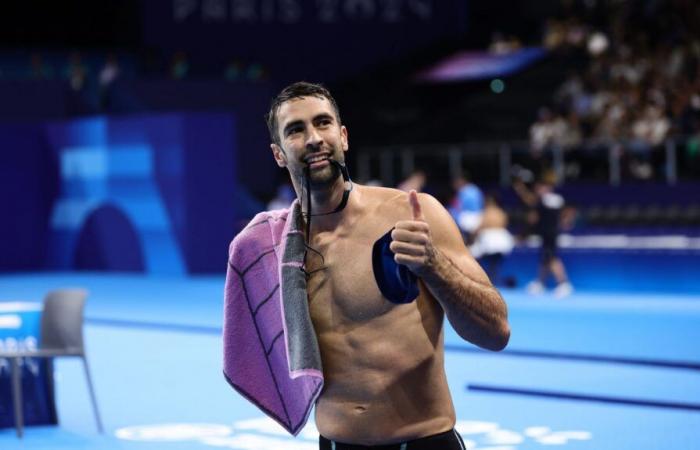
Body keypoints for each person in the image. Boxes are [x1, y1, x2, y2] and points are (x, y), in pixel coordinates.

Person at [225, 82, 510, 449]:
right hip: (335, 442)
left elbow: (496, 332)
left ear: (343, 136)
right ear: (278, 154)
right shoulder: (268, 249)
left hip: (423, 441)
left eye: (323, 123)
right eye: (296, 130)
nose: (313, 138)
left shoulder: (413, 213)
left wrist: (434, 266)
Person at [513, 170, 573, 298]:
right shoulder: (557, 199)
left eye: (540, 187)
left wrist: (521, 190)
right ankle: (540, 283)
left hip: (549, 233)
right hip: (551, 233)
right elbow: (567, 212)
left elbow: (531, 209)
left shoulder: (543, 199)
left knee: (551, 258)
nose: (537, 189)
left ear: (547, 188)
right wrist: (565, 221)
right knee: (545, 259)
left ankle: (564, 284)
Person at [470, 193, 515, 287]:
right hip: (503, 241)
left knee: (471, 256)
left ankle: (476, 279)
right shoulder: (501, 213)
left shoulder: (486, 212)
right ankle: (490, 278)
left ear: (489, 202)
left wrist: (471, 238)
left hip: (490, 240)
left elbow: (479, 228)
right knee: (493, 263)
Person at [449, 173, 484, 244]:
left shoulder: (463, 191)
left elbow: (458, 208)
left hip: (468, 218)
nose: (455, 185)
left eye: (456, 182)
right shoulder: (476, 189)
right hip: (479, 217)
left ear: (462, 181)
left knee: (450, 214)